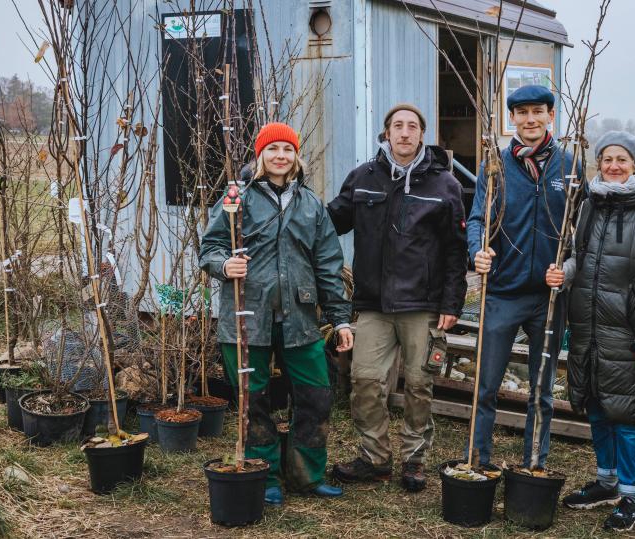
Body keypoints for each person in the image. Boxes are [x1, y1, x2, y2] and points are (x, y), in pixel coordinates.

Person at [199, 122, 353, 505]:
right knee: (254, 401)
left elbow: (329, 264)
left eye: (287, 149)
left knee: (316, 395)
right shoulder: (238, 197)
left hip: (301, 318)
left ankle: (306, 475)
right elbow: (210, 247)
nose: (280, 156)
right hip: (247, 317)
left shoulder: (311, 204)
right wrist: (224, 265)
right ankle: (263, 475)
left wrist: (341, 318)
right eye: (273, 149)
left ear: (296, 155)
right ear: (261, 155)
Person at [327, 104, 468, 492]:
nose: (404, 133)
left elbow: (457, 251)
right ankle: (375, 459)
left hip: (423, 306)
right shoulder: (363, 177)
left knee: (420, 385)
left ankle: (414, 460)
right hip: (373, 304)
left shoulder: (445, 185)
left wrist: (451, 303)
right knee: (365, 380)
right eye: (397, 126)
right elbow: (330, 222)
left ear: (422, 134)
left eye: (412, 127)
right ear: (386, 133)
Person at [544, 131, 635, 532]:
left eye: (622, 159)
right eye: (607, 159)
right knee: (597, 407)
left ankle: (631, 496)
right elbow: (580, 259)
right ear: (598, 164)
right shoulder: (588, 205)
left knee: (629, 418)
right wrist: (561, 274)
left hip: (629, 333)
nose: (613, 166)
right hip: (588, 329)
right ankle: (607, 482)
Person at [468, 84, 578, 468]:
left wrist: (566, 271)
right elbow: (478, 218)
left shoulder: (570, 166)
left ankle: (534, 463)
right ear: (511, 118)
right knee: (486, 386)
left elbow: (580, 231)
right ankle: (478, 460)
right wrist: (477, 252)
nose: (530, 119)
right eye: (522, 113)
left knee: (541, 389)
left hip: (549, 298)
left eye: (538, 112)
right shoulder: (495, 165)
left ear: (551, 115)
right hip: (503, 292)